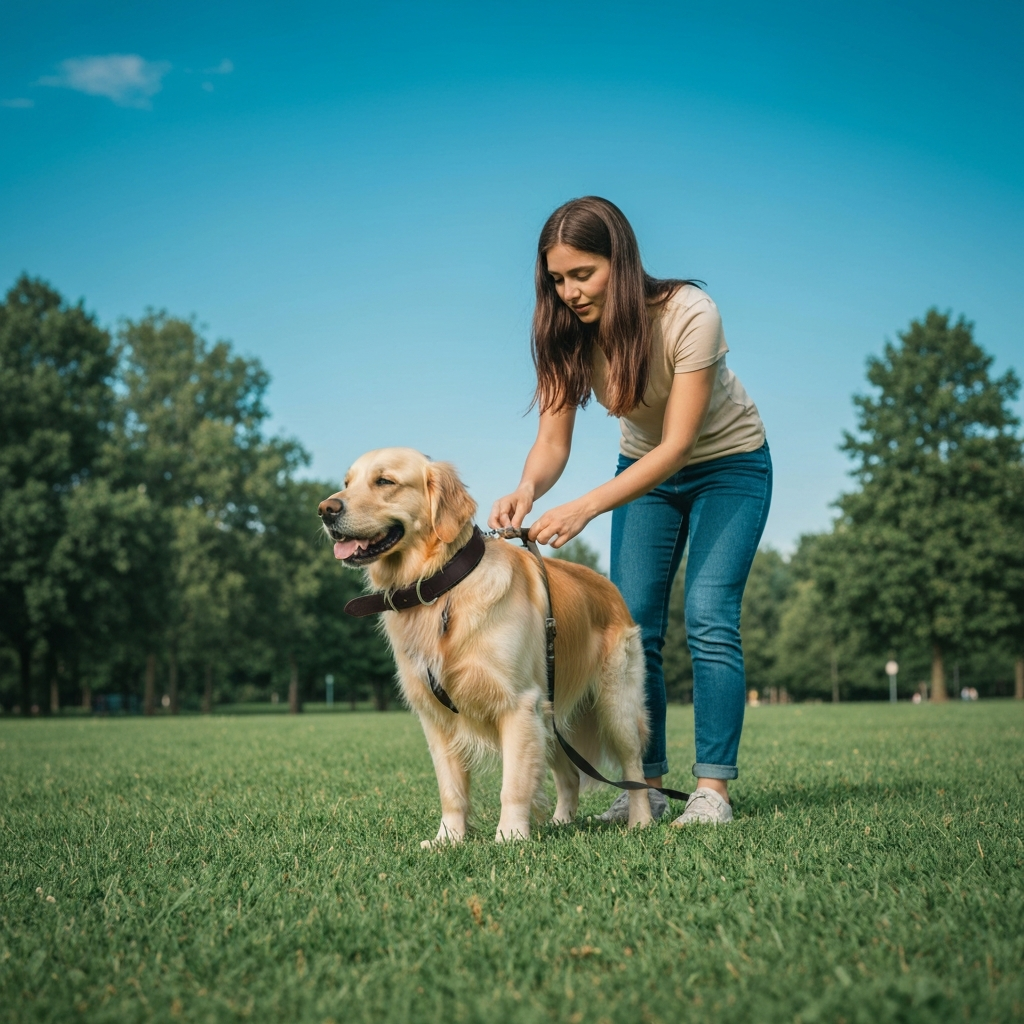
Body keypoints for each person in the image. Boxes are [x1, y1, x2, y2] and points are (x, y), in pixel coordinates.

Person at [489, 197, 771, 826]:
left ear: (619, 260)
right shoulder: (567, 333)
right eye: (557, 280)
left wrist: (585, 508)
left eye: (582, 274)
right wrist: (528, 488)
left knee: (708, 615)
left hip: (730, 467)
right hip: (644, 475)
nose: (569, 292)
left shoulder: (690, 314)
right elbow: (553, 441)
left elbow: (677, 446)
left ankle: (712, 792)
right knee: (635, 624)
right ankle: (639, 787)